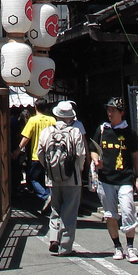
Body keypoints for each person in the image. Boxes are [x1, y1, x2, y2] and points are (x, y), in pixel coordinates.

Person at [90, 96, 138, 263]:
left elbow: (135, 156)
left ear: (121, 112)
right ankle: (117, 247)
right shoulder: (103, 130)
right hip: (105, 178)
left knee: (128, 210)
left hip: (125, 178)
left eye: (112, 110)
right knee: (110, 215)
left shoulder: (129, 132)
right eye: (108, 110)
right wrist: (95, 159)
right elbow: (93, 149)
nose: (109, 113)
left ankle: (131, 247)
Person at [37, 100, 85, 255]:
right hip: (72, 179)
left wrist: (49, 168)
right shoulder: (75, 132)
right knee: (69, 212)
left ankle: (53, 238)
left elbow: (40, 153)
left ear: (56, 115)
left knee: (55, 208)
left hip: (52, 178)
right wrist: (79, 169)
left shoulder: (46, 132)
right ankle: (65, 246)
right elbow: (80, 155)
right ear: (70, 118)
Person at [18, 100, 56, 213]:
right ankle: (50, 200)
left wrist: (18, 149)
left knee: (32, 178)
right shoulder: (52, 120)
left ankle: (46, 195)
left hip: (36, 155)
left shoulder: (33, 120)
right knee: (47, 179)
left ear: (35, 107)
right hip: (51, 154)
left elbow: (26, 137)